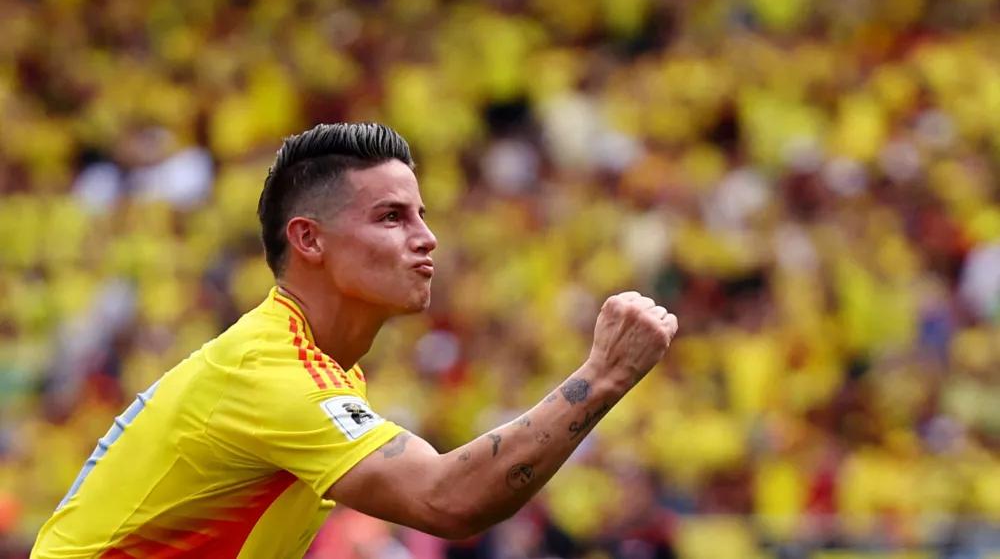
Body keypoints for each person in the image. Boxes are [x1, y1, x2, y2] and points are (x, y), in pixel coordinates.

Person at [30, 123, 680, 559]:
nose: (426, 238)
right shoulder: (272, 371)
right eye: (392, 217)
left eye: (422, 215)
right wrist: (603, 376)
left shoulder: (316, 370)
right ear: (308, 239)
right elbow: (448, 498)